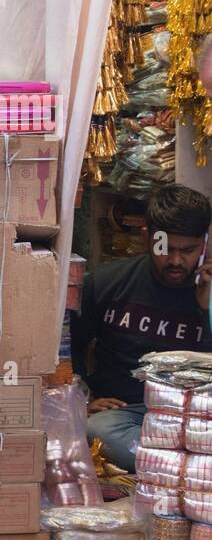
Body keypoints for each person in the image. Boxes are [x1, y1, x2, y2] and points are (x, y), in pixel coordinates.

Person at [71, 184, 212, 472]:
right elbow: (68, 345)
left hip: (199, 418)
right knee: (97, 429)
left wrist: (208, 311)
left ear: (205, 244)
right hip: (127, 414)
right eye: (165, 248)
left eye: (188, 250)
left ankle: (173, 466)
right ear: (146, 237)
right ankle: (188, 469)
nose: (175, 260)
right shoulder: (108, 282)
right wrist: (84, 399)